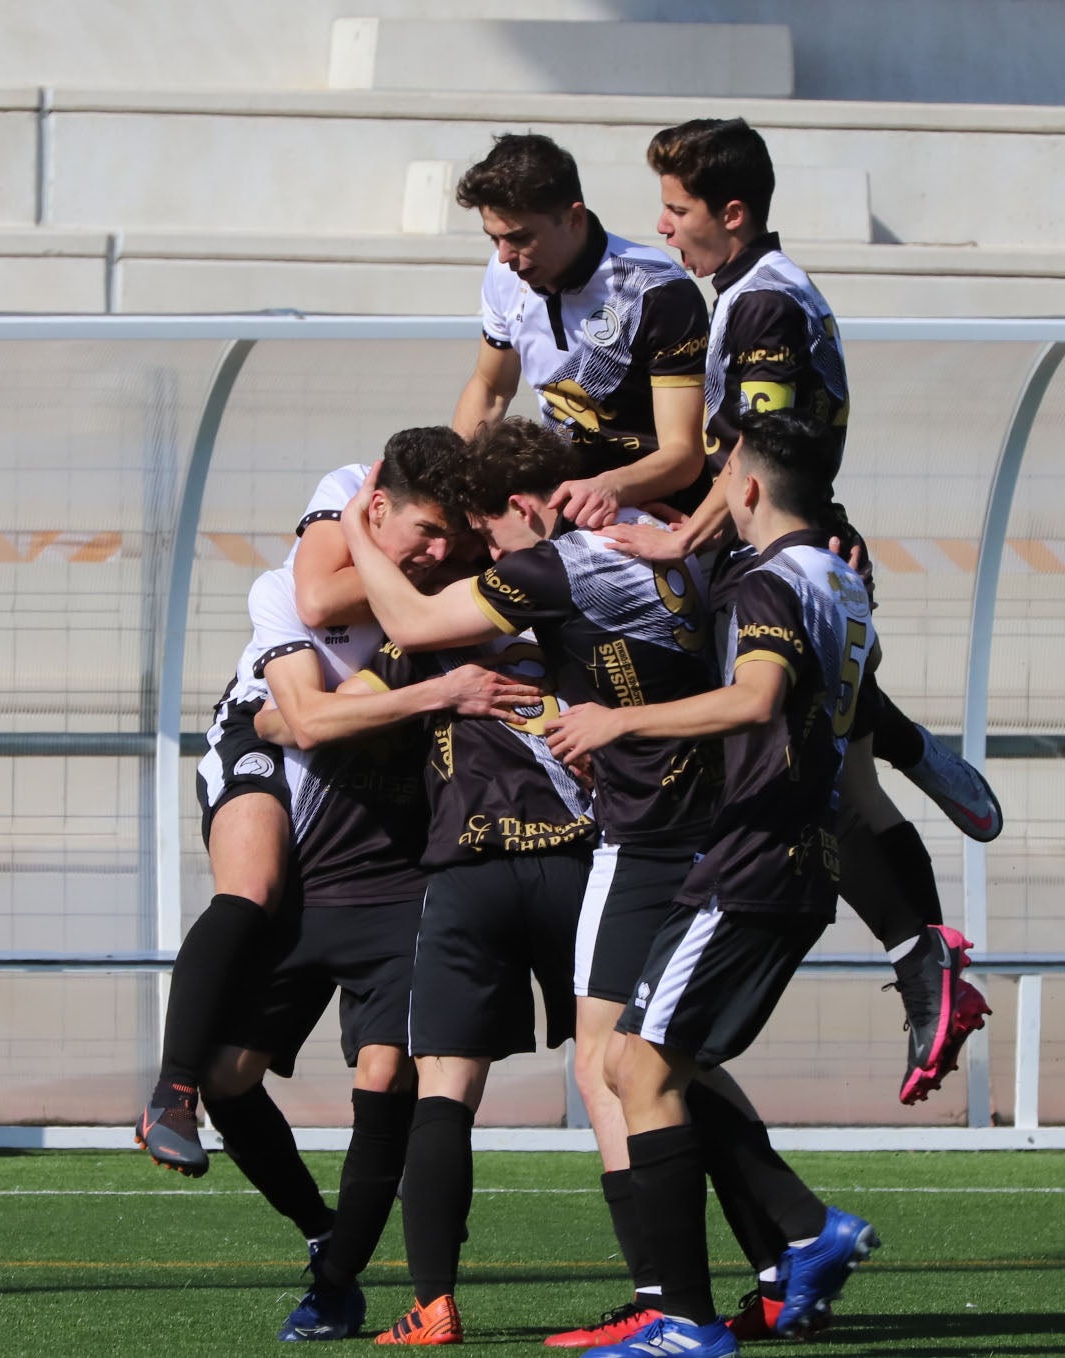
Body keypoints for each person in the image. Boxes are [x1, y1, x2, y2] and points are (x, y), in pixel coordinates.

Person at [343, 419, 863, 1346]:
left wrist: (352, 532)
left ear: (514, 509)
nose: (487, 558)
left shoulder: (560, 563)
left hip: (650, 838)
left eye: (487, 537)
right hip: (716, 822)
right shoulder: (681, 548)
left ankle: (689, 1293)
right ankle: (778, 1257)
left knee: (615, 1064)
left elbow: (413, 622)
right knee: (663, 1057)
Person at [618, 116, 999, 1106]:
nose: (663, 227)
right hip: (813, 556)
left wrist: (676, 538)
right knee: (841, 781)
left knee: (819, 784)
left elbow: (760, 446)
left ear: (732, 214)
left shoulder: (764, 309)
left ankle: (925, 943)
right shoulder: (751, 295)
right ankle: (907, 769)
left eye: (678, 208)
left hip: (800, 558)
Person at [136, 430, 529, 1342]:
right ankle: (184, 1099)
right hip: (314, 869)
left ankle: (339, 1276)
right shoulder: (288, 592)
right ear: (372, 508)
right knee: (236, 1071)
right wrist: (423, 697)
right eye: (421, 534)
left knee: (385, 1078)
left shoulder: (462, 600)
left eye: (452, 540)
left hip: (401, 878)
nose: (438, 556)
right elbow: (291, 717)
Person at [543, 409, 882, 1357]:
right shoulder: (841, 583)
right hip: (787, 856)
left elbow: (756, 697)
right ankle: (804, 1234)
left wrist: (620, 722)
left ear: (744, 489)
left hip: (752, 859)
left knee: (638, 1071)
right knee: (631, 1061)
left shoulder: (770, 581)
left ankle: (685, 1318)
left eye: (722, 466)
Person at [336, 468, 599, 1347]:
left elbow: (333, 713)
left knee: (444, 1092)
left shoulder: (432, 632)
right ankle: (701, 1281)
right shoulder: (585, 612)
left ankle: (434, 1305)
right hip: (576, 867)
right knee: (638, 1076)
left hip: (470, 872)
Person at [450, 132, 711, 527]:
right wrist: (458, 489)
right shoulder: (505, 270)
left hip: (647, 506)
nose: (503, 256)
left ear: (574, 218)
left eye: (519, 238)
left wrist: (607, 487)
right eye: (494, 239)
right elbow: (490, 389)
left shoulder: (657, 290)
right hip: (557, 492)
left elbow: (683, 456)